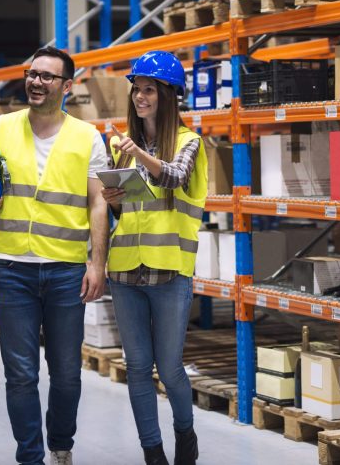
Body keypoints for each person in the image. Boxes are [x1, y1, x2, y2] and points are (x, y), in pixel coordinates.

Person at [0, 45, 108, 465]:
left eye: (46, 76)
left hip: (66, 270)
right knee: (20, 374)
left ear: (67, 86)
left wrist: (97, 264)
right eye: (32, 74)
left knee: (67, 373)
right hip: (12, 268)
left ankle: (61, 446)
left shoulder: (88, 138)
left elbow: (98, 203)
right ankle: (30, 457)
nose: (36, 82)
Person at [102, 51, 208, 465]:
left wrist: (138, 155)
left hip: (169, 271)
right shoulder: (119, 145)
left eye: (149, 90)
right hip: (125, 270)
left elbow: (175, 177)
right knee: (137, 368)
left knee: (170, 369)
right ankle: (152, 453)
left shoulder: (189, 141)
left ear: (168, 95)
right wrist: (112, 199)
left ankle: (186, 434)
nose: (140, 96)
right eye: (136, 89)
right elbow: (121, 209)